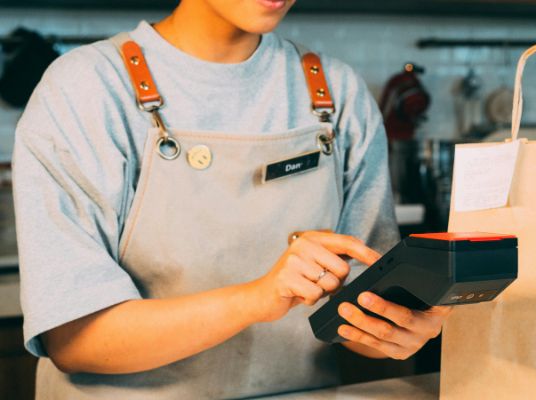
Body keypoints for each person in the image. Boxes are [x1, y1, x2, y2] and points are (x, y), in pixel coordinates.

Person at [13, 0, 452, 398]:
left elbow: (358, 316)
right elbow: (73, 340)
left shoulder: (339, 93)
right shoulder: (86, 88)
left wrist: (396, 329)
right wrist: (257, 299)